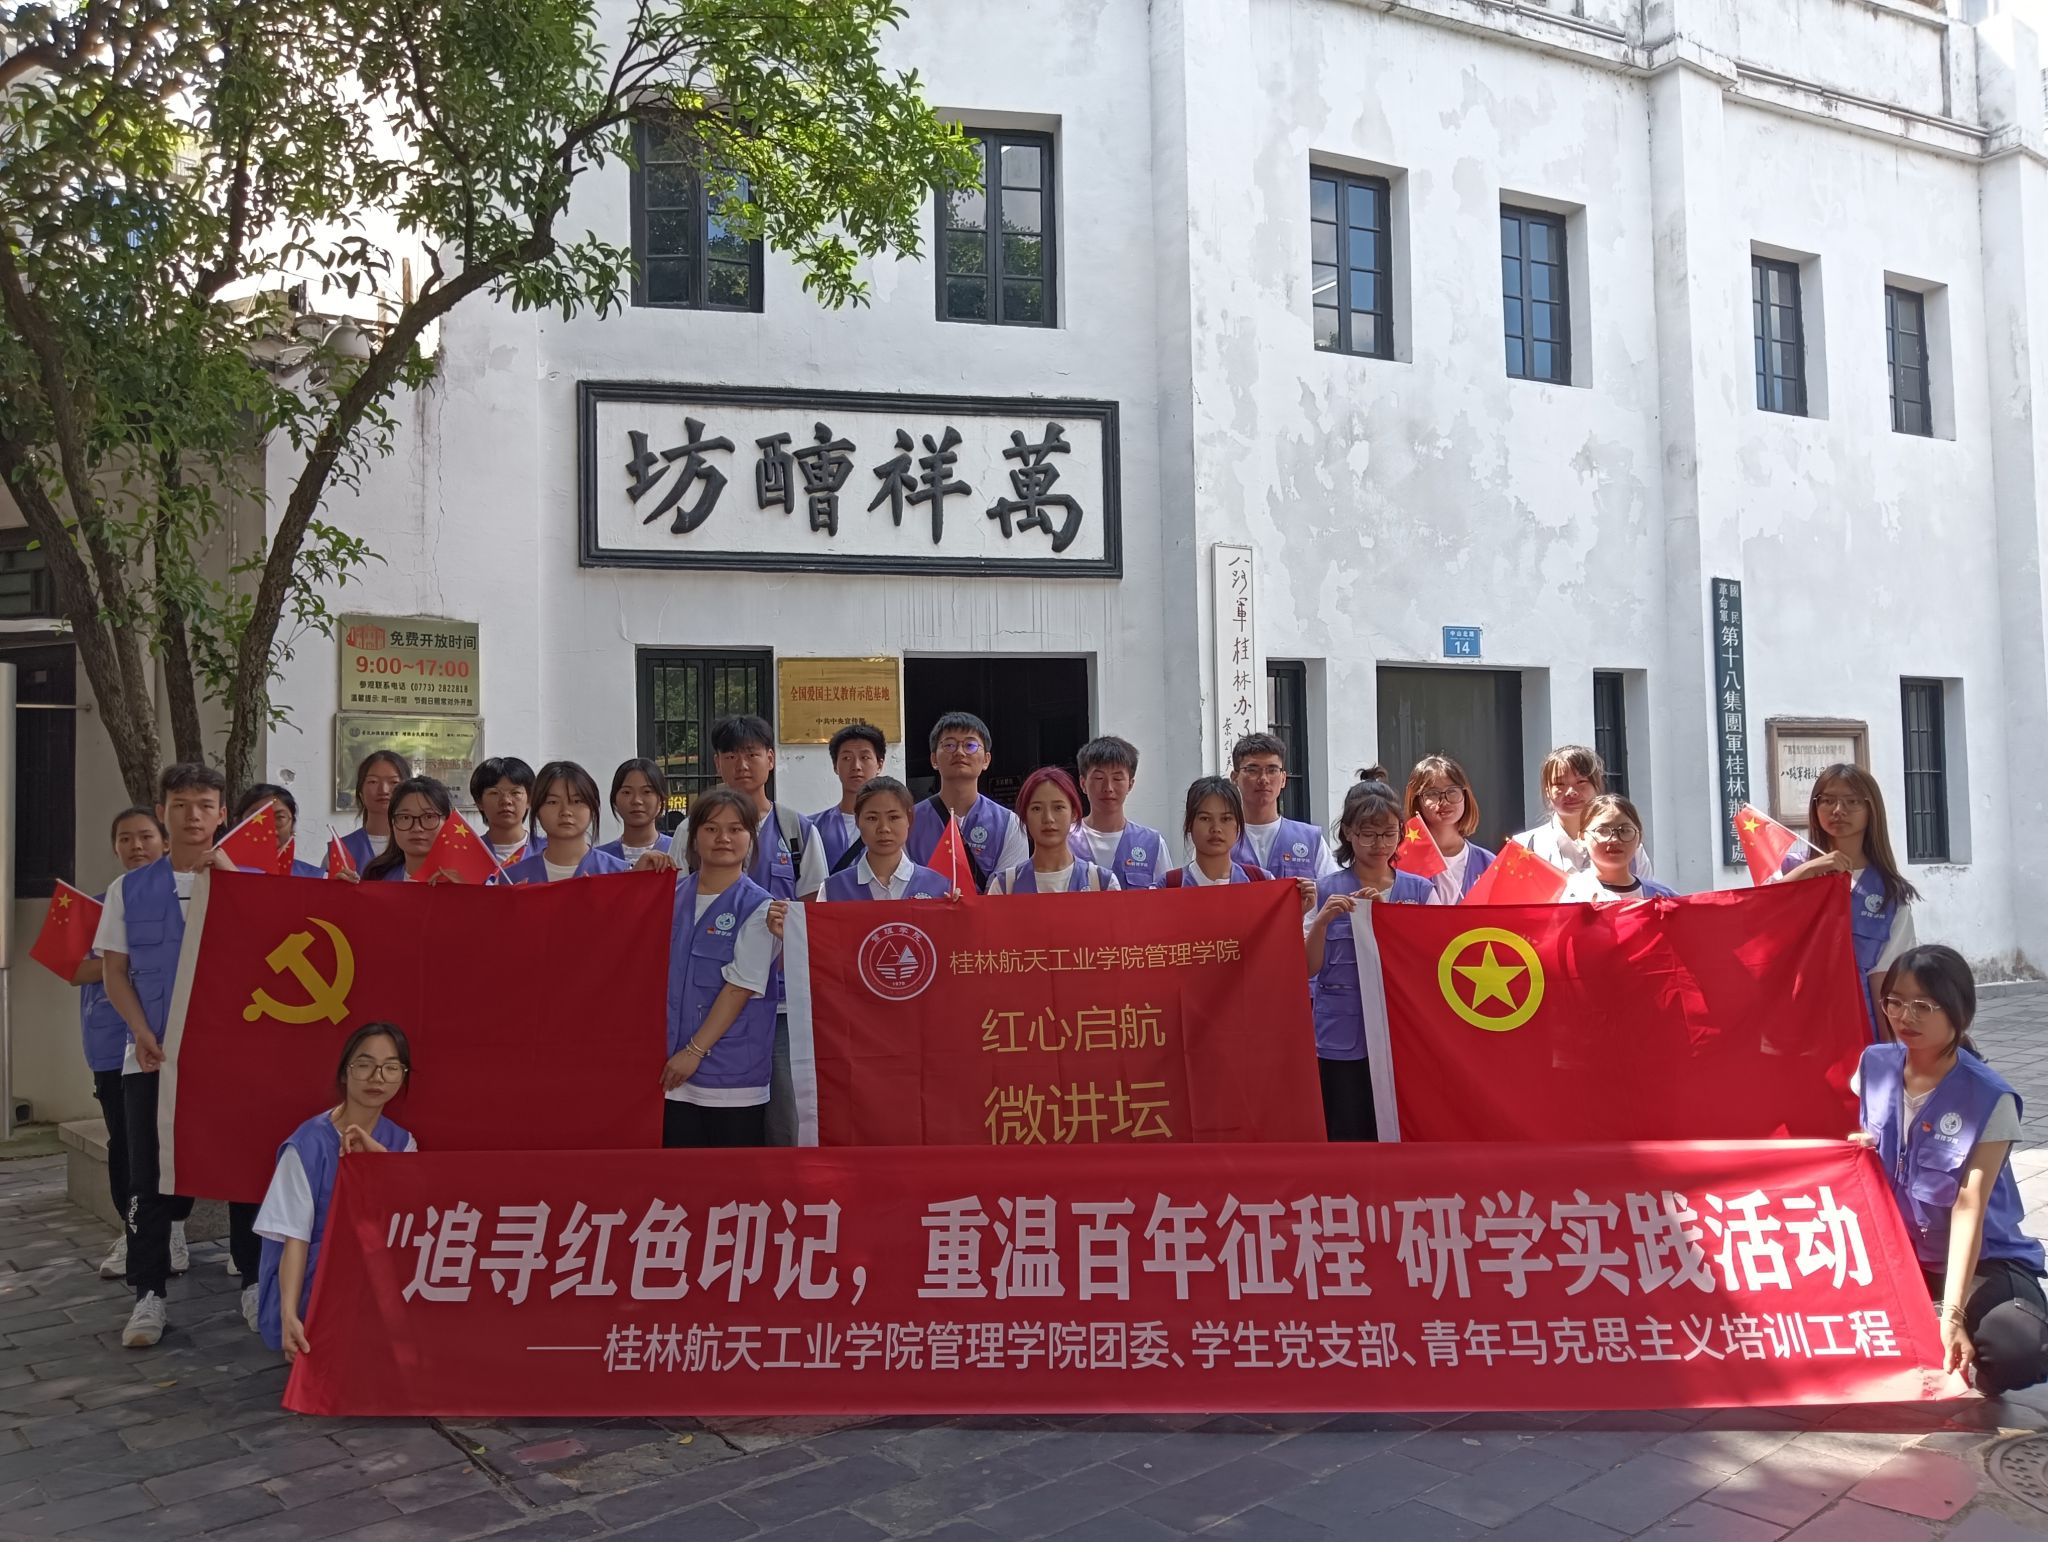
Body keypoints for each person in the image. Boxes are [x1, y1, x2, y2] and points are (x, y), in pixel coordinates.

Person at [1851, 946, 2048, 1396]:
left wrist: (1955, 1314)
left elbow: (1968, 1207)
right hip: (1898, 1250)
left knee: (2019, 1347)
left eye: (1923, 1005)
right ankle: (1929, 1317)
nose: (1905, 1016)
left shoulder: (1990, 1098)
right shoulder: (1873, 1066)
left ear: (1959, 1010)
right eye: (1895, 1001)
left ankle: (1952, 1326)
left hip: (1981, 1258)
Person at [96, 764, 245, 1348]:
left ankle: (255, 1279)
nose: (192, 816)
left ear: (222, 813)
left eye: (204, 804)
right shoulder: (128, 889)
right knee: (148, 1177)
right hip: (151, 1056)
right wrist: (139, 1030)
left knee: (242, 1168)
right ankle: (148, 1293)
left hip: (228, 1059)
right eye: (180, 805)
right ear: (163, 813)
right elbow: (115, 972)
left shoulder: (244, 882)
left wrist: (234, 883)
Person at [254, 1022, 417, 1362]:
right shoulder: (306, 1146)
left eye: (391, 1067)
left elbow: (409, 1218)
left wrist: (378, 1158)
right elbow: (294, 1239)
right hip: (317, 1276)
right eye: (365, 1064)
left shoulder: (402, 1142)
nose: (377, 1077)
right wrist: (289, 1315)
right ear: (345, 1072)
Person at [709, 715, 824, 1147]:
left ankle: (783, 1187)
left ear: (771, 759)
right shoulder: (693, 831)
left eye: (752, 754)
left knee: (784, 1115)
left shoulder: (797, 830)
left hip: (782, 1004)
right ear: (717, 763)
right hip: (712, 997)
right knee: (720, 1111)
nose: (742, 764)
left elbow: (814, 914)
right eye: (731, 755)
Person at [1305, 778, 1431, 1141]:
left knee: (1399, 1132)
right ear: (1348, 833)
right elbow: (1308, 967)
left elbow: (1429, 964)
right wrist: (1323, 921)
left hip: (1401, 1033)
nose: (1380, 844)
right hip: (1340, 1037)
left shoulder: (1421, 891)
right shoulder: (1325, 890)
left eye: (1389, 834)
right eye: (1368, 834)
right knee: (1345, 1132)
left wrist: (1387, 920)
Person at [661, 787, 787, 1148]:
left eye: (736, 829)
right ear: (693, 837)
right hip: (670, 1073)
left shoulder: (761, 908)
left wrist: (693, 1053)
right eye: (711, 829)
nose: (724, 838)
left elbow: (739, 988)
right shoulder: (670, 897)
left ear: (750, 838)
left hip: (731, 1078)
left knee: (732, 1178)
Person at [75, 807, 166, 1282]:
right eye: (125, 838)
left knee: (167, 1143)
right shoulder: (97, 904)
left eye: (145, 836)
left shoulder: (183, 897)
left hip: (167, 1041)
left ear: (164, 842)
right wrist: (126, 957)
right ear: (114, 847)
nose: (136, 846)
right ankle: (132, 1234)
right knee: (126, 1144)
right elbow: (73, 968)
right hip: (114, 1043)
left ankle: (171, 1231)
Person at [1779, 763, 1918, 1038]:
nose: (1838, 810)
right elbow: (1760, 922)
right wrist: (1806, 871)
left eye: (1852, 801)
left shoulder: (1890, 893)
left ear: (1871, 809)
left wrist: (1888, 1050)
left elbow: (1884, 979)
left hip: (1856, 1025)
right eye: (1827, 800)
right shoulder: (1790, 869)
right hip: (1794, 1022)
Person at [906, 712, 1027, 891]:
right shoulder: (908, 822)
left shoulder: (1010, 824)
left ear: (986, 760)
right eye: (949, 745)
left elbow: (1007, 891)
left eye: (970, 745)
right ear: (934, 759)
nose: (960, 752)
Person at [1514, 745, 1653, 880]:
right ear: (1547, 791)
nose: (1571, 792)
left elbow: (1645, 893)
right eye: (1560, 784)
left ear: (1597, 786)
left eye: (1581, 782)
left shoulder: (1628, 848)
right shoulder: (1525, 846)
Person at [817, 777, 955, 901]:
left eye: (893, 817)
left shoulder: (940, 888)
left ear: (909, 819)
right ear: (858, 821)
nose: (884, 828)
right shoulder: (832, 891)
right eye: (872, 818)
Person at [989, 767, 1120, 894]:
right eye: (1037, 808)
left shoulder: (1103, 884)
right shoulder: (1004, 886)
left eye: (1058, 808)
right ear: (1025, 816)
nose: (1048, 818)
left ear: (1074, 814)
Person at [498, 761, 632, 883]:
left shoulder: (620, 873)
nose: (565, 811)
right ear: (537, 810)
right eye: (553, 802)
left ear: (593, 807)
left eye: (576, 801)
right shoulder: (512, 878)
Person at [1229, 733, 1336, 884]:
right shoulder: (1221, 838)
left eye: (1272, 770)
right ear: (1234, 778)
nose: (1263, 779)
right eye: (1252, 770)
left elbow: (1332, 891)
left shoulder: (1310, 839)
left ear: (1283, 778)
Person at [1071, 735, 1167, 890]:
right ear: (1083, 783)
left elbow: (1167, 899)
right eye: (1099, 778)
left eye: (1117, 778)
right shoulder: (1065, 841)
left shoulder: (1152, 843)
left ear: (1130, 784)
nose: (1108, 788)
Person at [1165, 777, 1286, 893]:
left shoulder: (1262, 882)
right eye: (1205, 818)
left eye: (1226, 819)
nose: (1216, 829)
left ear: (1238, 825)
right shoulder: (1166, 887)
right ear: (1189, 824)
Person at [1401, 755, 1495, 904]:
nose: (1444, 801)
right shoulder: (1401, 860)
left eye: (1452, 791)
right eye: (1432, 793)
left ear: (1465, 795)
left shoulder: (1489, 863)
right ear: (1417, 801)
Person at [354, 778, 475, 883]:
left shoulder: (469, 880)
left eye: (428, 816)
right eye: (405, 817)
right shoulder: (376, 876)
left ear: (447, 822)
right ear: (392, 824)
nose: (417, 828)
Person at [1561, 795, 1679, 903]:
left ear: (1639, 838)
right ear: (1582, 837)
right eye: (1602, 831)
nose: (1615, 839)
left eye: (1624, 830)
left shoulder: (1664, 898)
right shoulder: (1572, 895)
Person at [810, 723, 885, 874]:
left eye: (865, 757)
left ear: (879, 765)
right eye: (846, 758)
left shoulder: (896, 826)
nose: (856, 766)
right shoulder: (813, 827)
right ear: (835, 766)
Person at [335, 750, 410, 874]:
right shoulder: (340, 851)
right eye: (373, 782)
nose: (384, 790)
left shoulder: (421, 845)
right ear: (360, 792)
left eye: (394, 782)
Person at [232, 783, 326, 879]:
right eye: (257, 817)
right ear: (238, 822)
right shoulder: (224, 869)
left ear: (292, 824)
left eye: (280, 817)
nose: (269, 827)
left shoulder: (314, 878)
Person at [597, 757, 673, 866]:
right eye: (627, 792)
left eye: (647, 792)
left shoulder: (679, 852)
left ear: (661, 800)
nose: (636, 801)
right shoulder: (599, 860)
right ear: (615, 800)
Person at [470, 757, 539, 868]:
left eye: (515, 792)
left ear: (529, 800)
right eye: (494, 793)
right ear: (479, 802)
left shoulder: (549, 851)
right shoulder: (465, 853)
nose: (506, 801)